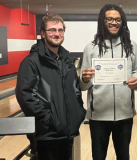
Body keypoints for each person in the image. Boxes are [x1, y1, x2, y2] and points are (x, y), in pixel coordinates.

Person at [15, 14, 86, 160]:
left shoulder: (67, 61)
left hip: (67, 132)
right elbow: (26, 96)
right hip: (47, 135)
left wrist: (78, 113)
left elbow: (76, 91)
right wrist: (49, 121)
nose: (57, 34)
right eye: (52, 30)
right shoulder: (31, 62)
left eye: (60, 30)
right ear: (43, 33)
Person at [79, 4, 137, 160]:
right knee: (98, 157)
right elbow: (82, 84)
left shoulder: (131, 46)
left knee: (123, 156)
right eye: (110, 19)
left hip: (125, 114)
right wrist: (84, 78)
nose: (114, 22)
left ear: (122, 22)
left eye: (118, 19)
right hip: (98, 116)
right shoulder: (91, 48)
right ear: (102, 21)